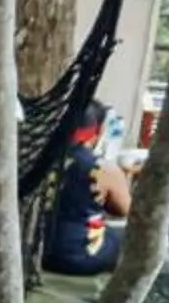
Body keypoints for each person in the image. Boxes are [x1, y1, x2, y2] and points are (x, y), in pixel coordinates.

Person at [42, 106, 135, 276]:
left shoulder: (38, 156)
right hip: (78, 256)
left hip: (33, 249)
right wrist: (125, 176)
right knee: (129, 238)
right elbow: (125, 210)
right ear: (96, 131)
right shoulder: (102, 168)